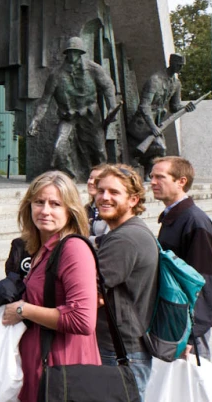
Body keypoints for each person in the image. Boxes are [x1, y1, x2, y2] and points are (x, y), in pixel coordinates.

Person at [1, 170, 100, 402]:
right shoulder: (41, 248)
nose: (45, 210)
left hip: (62, 369)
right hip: (41, 364)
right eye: (39, 202)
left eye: (55, 204)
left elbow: (83, 320)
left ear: (70, 210)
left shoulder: (72, 249)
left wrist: (22, 309)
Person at [93, 164, 158, 400]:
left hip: (119, 350)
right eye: (100, 191)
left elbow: (90, 293)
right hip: (125, 347)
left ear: (133, 199)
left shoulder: (125, 238)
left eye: (114, 192)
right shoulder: (126, 231)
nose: (104, 197)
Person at [150, 156, 212, 359]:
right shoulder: (176, 216)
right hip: (177, 320)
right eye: (152, 176)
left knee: (193, 387)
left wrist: (191, 335)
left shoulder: (194, 221)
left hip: (188, 329)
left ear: (181, 181)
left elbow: (205, 280)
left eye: (160, 177)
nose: (153, 182)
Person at [27, 36, 117, 180]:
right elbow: (45, 101)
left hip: (90, 116)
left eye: (76, 52)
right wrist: (36, 121)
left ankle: (102, 179)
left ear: (81, 53)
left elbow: (108, 86)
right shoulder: (56, 75)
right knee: (59, 149)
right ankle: (71, 177)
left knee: (99, 150)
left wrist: (111, 106)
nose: (72, 55)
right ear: (66, 53)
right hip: (68, 118)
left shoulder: (93, 69)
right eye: (70, 52)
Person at [127, 54, 196, 176]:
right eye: (179, 65)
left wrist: (186, 108)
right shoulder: (155, 80)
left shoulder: (176, 84)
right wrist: (152, 127)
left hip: (157, 122)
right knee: (160, 148)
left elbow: (174, 107)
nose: (180, 68)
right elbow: (144, 106)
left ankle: (147, 170)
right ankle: (140, 161)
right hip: (142, 123)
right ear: (172, 63)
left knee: (159, 150)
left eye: (182, 66)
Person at [85, 164, 110, 241]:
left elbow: (107, 240)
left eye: (97, 179)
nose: (91, 182)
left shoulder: (111, 209)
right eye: (90, 178)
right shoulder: (86, 209)